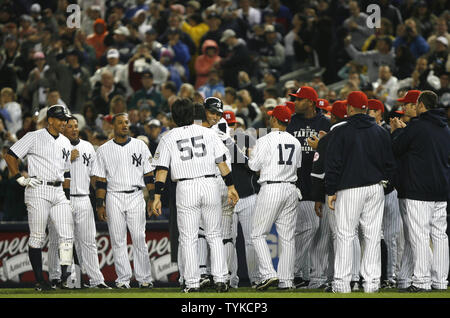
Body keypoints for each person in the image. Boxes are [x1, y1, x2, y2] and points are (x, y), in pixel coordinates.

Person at [150, 98, 239, 293]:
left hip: (186, 186)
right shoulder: (208, 133)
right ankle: (221, 279)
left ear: (173, 117)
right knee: (214, 235)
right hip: (209, 185)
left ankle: (192, 282)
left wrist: (157, 196)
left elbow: (162, 170)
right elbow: (222, 162)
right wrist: (231, 186)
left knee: (188, 238)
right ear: (192, 114)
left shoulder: (168, 137)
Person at [325, 91, 396, 293]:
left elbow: (333, 165)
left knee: (346, 235)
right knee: (373, 236)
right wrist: (385, 187)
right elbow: (391, 165)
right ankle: (372, 283)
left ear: (349, 108)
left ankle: (342, 283)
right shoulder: (380, 131)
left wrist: (331, 190)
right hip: (375, 189)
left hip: (349, 189)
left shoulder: (341, 131)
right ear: (365, 108)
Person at [4, 105, 74, 291]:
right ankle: (39, 280)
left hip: (58, 191)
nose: (64, 123)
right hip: (38, 189)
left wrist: (66, 197)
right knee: (37, 236)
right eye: (60, 119)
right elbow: (10, 155)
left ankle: (64, 277)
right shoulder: (33, 137)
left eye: (65, 119)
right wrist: (19, 178)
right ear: (50, 119)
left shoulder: (66, 142)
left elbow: (66, 171)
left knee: (67, 235)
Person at [390, 90, 450, 292]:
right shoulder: (445, 128)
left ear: (422, 105)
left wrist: (398, 131)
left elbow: (397, 148)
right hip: (441, 190)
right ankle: (440, 281)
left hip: (418, 191)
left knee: (420, 236)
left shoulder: (417, 126)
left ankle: (422, 281)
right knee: (440, 235)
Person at [92, 113, 155, 289]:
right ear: (113, 126)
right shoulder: (104, 149)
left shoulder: (140, 145)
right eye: (120, 123)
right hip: (114, 196)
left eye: (126, 122)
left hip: (136, 195)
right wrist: (100, 204)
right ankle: (123, 279)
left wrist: (151, 198)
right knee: (118, 239)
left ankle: (144, 278)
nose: (124, 125)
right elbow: (101, 181)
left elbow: (149, 175)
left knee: (139, 237)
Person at [47, 117, 111, 289]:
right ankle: (61, 278)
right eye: (70, 126)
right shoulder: (55, 145)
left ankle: (96, 280)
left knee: (89, 241)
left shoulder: (88, 147)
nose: (75, 129)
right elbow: (48, 172)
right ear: (62, 128)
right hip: (60, 199)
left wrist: (99, 201)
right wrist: (67, 159)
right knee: (59, 241)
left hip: (83, 198)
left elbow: (94, 176)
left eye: (76, 126)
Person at [249, 105, 301, 290]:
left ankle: (268, 274)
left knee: (257, 234)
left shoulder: (265, 140)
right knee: (287, 238)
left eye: (272, 117)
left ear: (274, 120)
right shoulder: (295, 141)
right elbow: (298, 166)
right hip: (290, 188)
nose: (269, 119)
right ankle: (286, 280)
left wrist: (250, 154)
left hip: (271, 187)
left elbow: (254, 166)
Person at [286, 86, 331, 288]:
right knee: (304, 229)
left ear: (311, 102)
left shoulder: (325, 123)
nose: (295, 103)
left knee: (318, 232)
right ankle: (297, 272)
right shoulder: (291, 122)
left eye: (299, 99)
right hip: (296, 182)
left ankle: (314, 275)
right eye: (294, 99)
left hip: (318, 182)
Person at [310, 100, 349, 290]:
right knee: (350, 237)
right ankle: (352, 278)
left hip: (331, 194)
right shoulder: (356, 134)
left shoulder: (329, 138)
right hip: (354, 192)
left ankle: (327, 278)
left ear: (333, 117)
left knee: (329, 237)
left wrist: (318, 197)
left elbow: (318, 173)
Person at [368, 99, 403, 289]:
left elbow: (395, 161)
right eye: (368, 110)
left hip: (389, 191)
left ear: (380, 113)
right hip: (372, 191)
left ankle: (391, 276)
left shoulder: (390, 131)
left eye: (373, 110)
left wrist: (388, 183)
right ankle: (376, 276)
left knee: (391, 237)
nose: (370, 113)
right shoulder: (366, 132)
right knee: (373, 236)